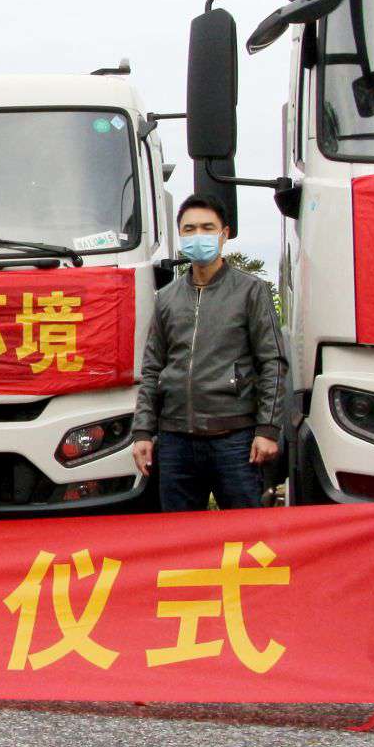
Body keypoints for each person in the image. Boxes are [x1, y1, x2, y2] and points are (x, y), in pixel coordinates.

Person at [131, 194, 286, 511]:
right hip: (175, 442)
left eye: (207, 227)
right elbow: (152, 368)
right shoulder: (166, 298)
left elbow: (273, 362)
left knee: (245, 533)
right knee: (179, 535)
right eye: (189, 229)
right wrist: (142, 432)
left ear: (224, 234)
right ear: (180, 235)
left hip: (234, 439)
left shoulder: (251, 291)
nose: (198, 235)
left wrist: (268, 430)